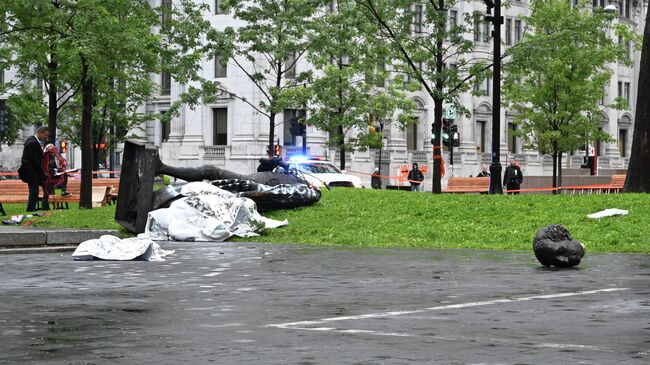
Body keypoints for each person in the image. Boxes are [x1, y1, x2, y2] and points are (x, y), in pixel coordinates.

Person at [17, 126, 49, 211]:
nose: (45, 137)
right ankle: (31, 208)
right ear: (40, 132)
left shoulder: (33, 141)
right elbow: (35, 161)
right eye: (45, 135)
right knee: (34, 190)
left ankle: (31, 207)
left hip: (31, 171)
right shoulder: (32, 143)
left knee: (34, 190)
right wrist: (42, 173)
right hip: (31, 171)